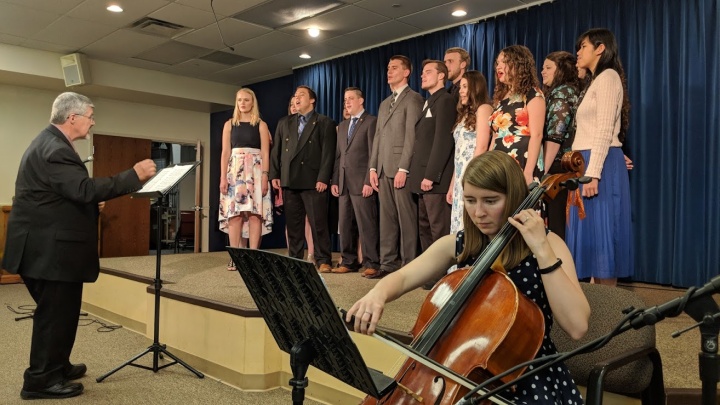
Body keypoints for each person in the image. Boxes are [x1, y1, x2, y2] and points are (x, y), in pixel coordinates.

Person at [347, 150, 589, 405]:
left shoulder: (549, 244)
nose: (478, 212)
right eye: (471, 200)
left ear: (516, 198)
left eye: (490, 201)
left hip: (524, 379)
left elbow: (577, 326)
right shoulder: (461, 244)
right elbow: (405, 277)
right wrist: (377, 294)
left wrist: (541, 249)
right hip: (458, 376)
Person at [2, 92, 157, 399]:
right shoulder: (55, 148)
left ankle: (56, 365)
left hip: (45, 245)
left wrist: (88, 205)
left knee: (63, 312)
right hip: (47, 250)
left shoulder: (49, 143)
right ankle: (40, 380)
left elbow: (61, 195)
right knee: (54, 314)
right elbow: (83, 188)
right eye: (90, 115)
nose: (92, 121)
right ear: (72, 118)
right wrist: (133, 176)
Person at [567, 28, 633, 286]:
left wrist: (593, 173)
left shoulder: (608, 77)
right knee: (592, 241)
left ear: (600, 48)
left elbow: (605, 128)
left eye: (582, 46)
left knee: (604, 240)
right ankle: (595, 306)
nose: (578, 52)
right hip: (589, 160)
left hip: (597, 166)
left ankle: (608, 312)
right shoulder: (596, 81)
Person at [367, 55, 423, 279]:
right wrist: (372, 168)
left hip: (401, 169)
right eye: (388, 68)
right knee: (387, 220)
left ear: (407, 72)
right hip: (382, 168)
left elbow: (412, 136)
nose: (389, 71)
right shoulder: (383, 103)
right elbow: (378, 137)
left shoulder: (414, 99)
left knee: (406, 219)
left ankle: (409, 265)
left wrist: (404, 168)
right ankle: (388, 264)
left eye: (395, 68)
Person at [270, 86, 336, 272]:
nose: (297, 98)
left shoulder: (324, 122)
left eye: (301, 95)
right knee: (293, 225)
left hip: (314, 180)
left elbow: (328, 154)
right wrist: (275, 174)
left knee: (318, 223)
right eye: (295, 95)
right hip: (290, 180)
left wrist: (323, 177)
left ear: (312, 100)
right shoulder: (285, 122)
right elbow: (277, 152)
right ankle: (295, 259)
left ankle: (324, 259)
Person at [219, 88, 273, 270]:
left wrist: (265, 176)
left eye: (246, 100)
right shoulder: (229, 124)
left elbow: (266, 153)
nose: (242, 103)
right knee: (234, 214)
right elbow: (225, 152)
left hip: (256, 171)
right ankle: (236, 256)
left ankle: (253, 257)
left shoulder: (260, 125)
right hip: (235, 171)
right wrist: (222, 178)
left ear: (253, 102)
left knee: (255, 214)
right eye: (240, 100)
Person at [410, 60, 456, 255]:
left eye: (428, 72)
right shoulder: (428, 101)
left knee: (438, 229)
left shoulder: (445, 100)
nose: (422, 75)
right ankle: (430, 273)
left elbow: (443, 141)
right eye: (422, 72)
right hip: (422, 178)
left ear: (441, 76)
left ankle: (441, 272)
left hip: (435, 180)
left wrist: (431, 175)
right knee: (425, 228)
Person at [331, 87, 379, 274]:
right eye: (345, 100)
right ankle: (348, 261)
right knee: (345, 224)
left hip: (362, 182)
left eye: (351, 98)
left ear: (361, 100)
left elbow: (373, 154)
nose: (347, 102)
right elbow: (338, 156)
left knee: (367, 224)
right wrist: (335, 180)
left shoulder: (371, 122)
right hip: (344, 184)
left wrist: (369, 180)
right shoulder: (342, 126)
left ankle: (371, 263)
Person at [489, 45, 545, 185]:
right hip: (499, 162)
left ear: (518, 65)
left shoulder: (533, 94)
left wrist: (528, 171)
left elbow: (537, 135)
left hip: (522, 158)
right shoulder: (502, 98)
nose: (498, 67)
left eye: (504, 62)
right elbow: (496, 135)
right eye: (497, 63)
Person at [447, 70, 493, 235]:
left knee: (471, 223)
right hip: (460, 175)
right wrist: (453, 184)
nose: (460, 90)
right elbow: (458, 154)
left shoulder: (484, 108)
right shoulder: (464, 115)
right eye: (460, 87)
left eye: (465, 86)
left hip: (473, 174)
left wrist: (471, 177)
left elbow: (481, 146)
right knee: (459, 225)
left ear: (475, 87)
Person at [540, 51, 580, 239]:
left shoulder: (562, 92)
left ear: (562, 70)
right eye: (542, 67)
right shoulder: (569, 91)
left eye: (548, 68)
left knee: (557, 227)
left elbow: (556, 134)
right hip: (565, 167)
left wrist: (543, 173)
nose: (543, 72)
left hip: (558, 167)